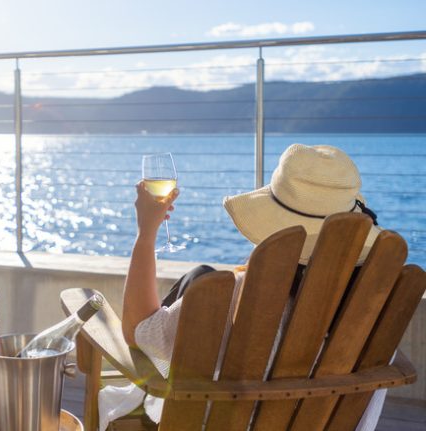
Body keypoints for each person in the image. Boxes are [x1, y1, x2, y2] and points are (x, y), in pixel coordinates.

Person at [120, 144, 385, 431]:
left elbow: (139, 331)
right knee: (200, 277)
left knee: (201, 284)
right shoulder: (373, 303)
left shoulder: (243, 297)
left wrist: (146, 233)